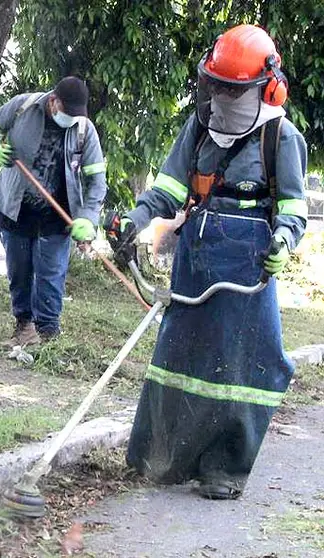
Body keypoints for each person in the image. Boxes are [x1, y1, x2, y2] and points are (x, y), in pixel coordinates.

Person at [107, 24, 308, 500]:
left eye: (232, 89)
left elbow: (294, 207)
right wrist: (136, 218)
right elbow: (169, 189)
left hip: (249, 268)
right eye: (215, 85)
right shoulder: (199, 126)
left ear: (267, 86)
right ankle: (161, 458)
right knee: (178, 355)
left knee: (244, 365)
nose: (221, 97)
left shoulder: (281, 136)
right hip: (196, 258)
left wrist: (282, 239)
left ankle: (225, 469)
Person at [0, 76, 108, 346]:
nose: (71, 119)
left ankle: (48, 335)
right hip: (16, 209)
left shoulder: (84, 130)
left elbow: (96, 182)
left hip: (56, 214)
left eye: (76, 115)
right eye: (67, 112)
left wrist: (87, 218)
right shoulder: (22, 106)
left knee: (51, 274)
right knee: (19, 272)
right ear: (53, 101)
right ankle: (24, 328)